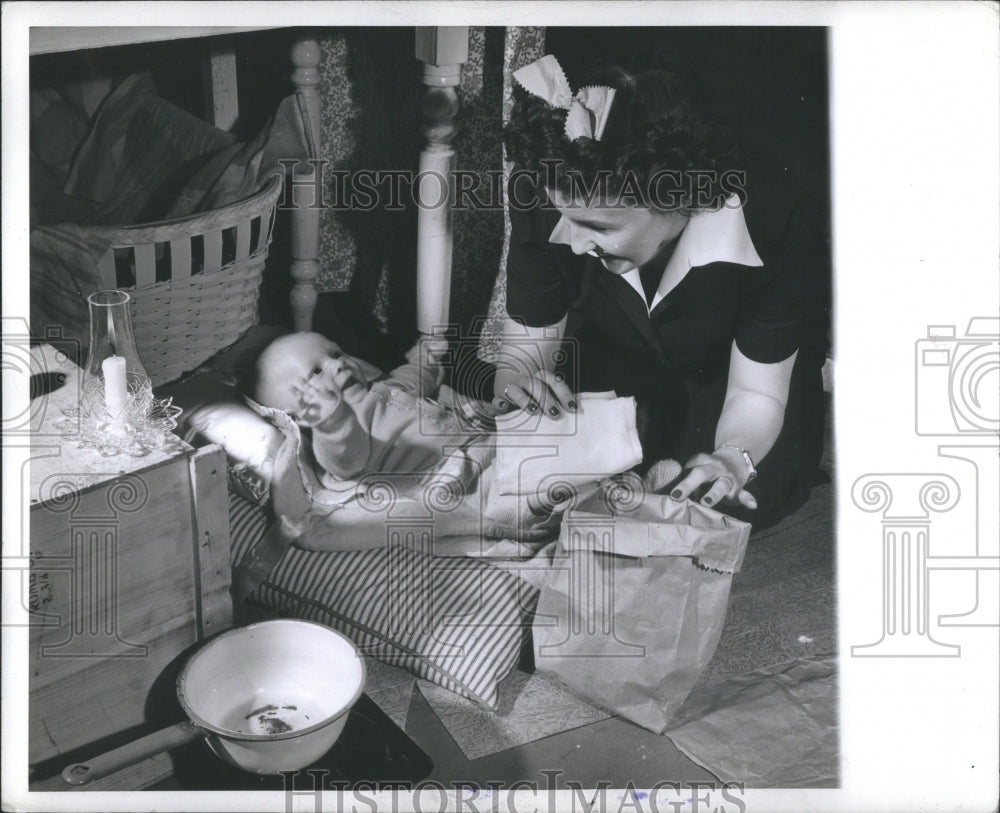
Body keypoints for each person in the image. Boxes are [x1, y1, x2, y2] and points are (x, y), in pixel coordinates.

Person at [496, 55, 830, 529]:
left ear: (674, 199)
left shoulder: (774, 216)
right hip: (615, 350)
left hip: (737, 376)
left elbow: (756, 392)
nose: (570, 241)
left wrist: (734, 458)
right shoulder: (544, 189)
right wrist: (522, 389)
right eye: (564, 217)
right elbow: (526, 349)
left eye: (597, 226)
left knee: (718, 495)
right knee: (549, 478)